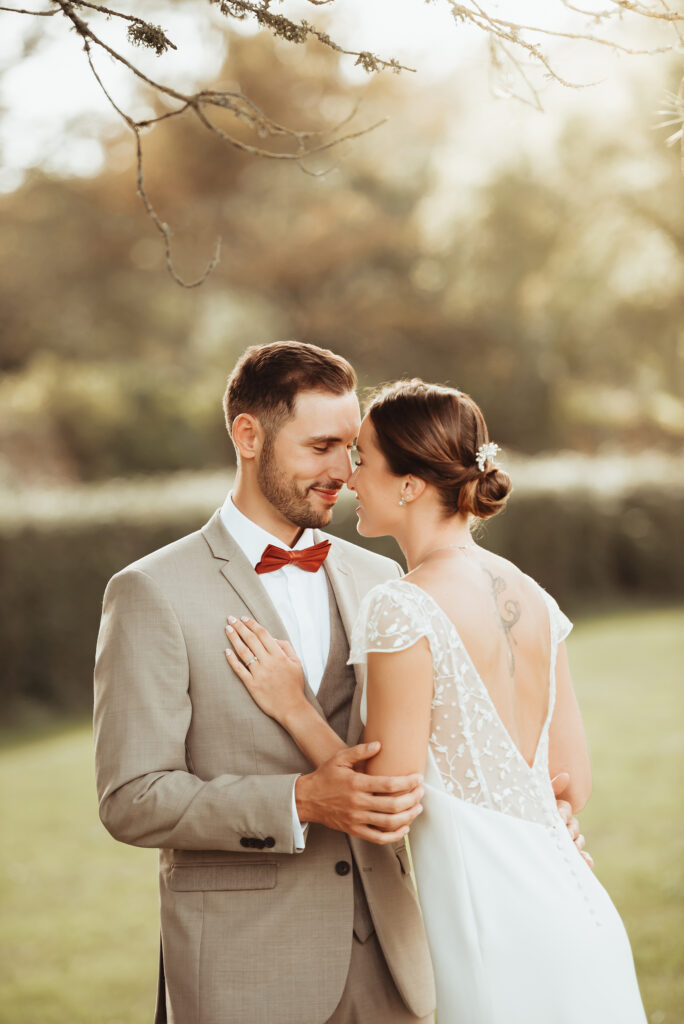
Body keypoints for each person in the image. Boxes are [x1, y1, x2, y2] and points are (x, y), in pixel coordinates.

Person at [226, 377, 648, 1024]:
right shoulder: (535, 597)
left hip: (496, 935)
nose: (348, 477)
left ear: (408, 485)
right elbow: (573, 784)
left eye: (362, 458)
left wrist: (293, 706)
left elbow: (386, 801)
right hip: (579, 915)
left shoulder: (403, 603)